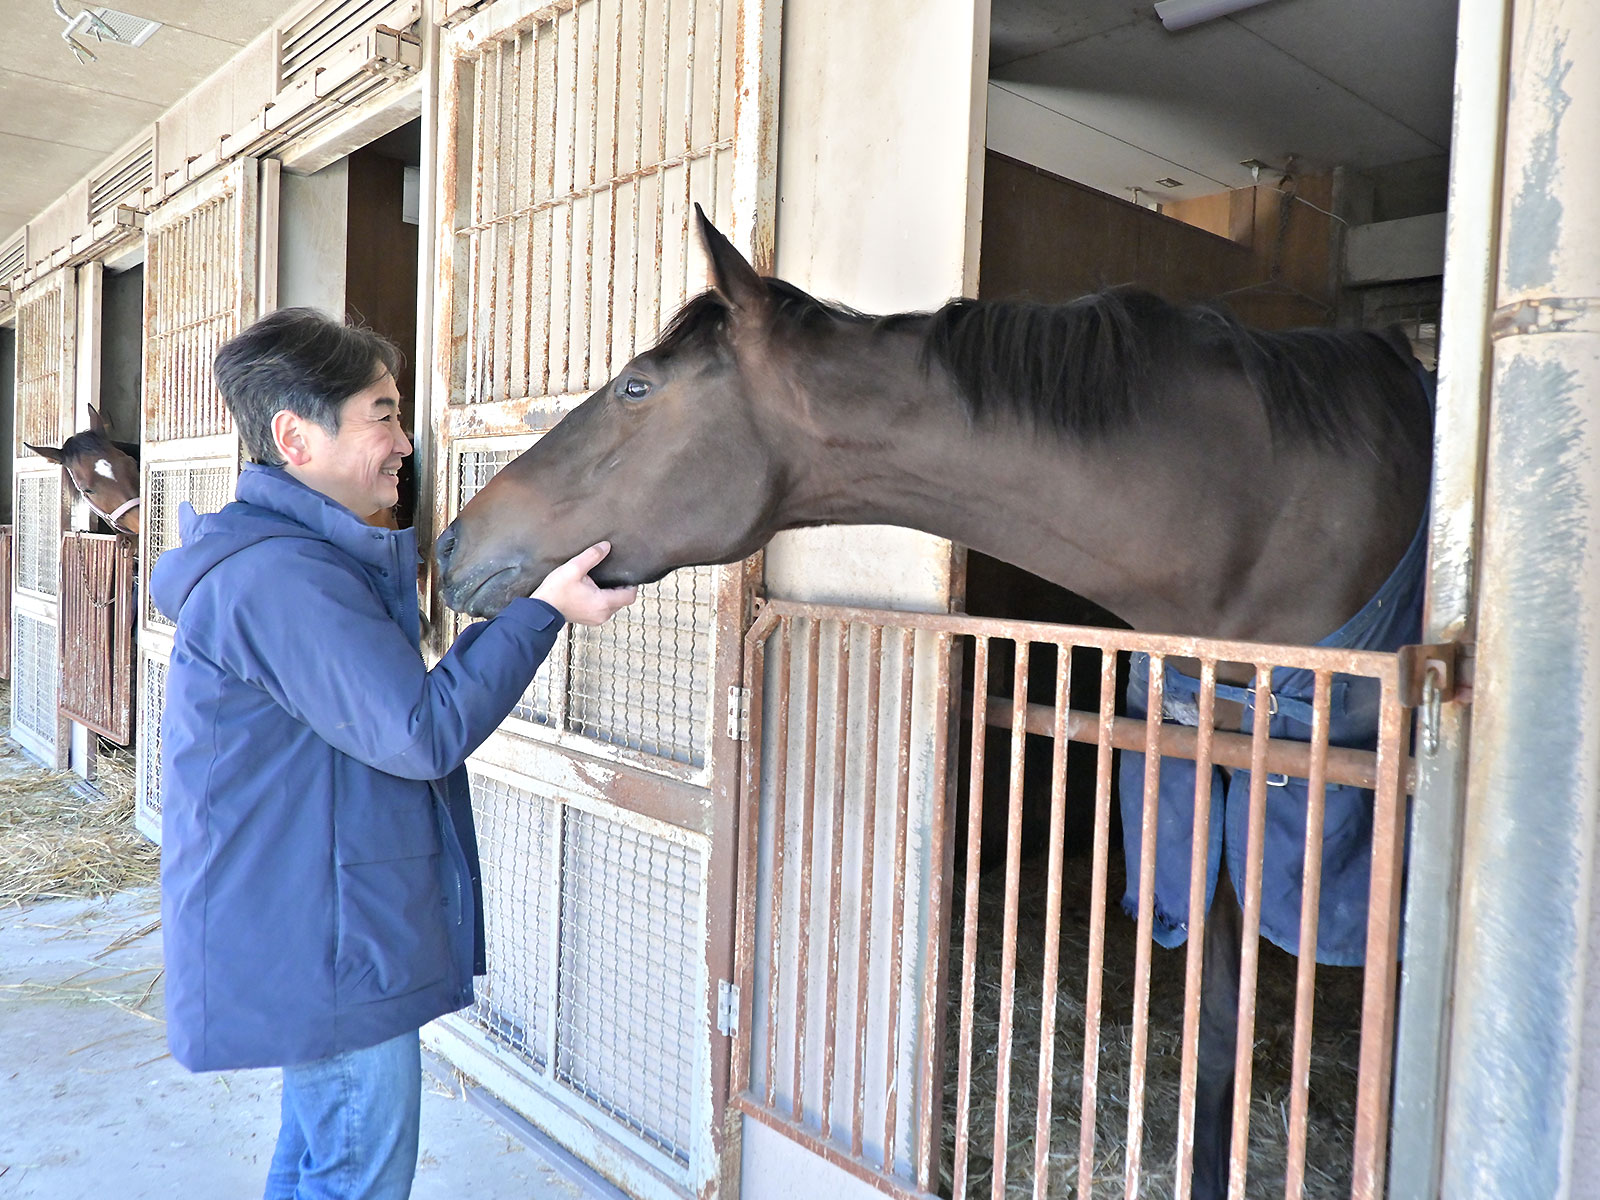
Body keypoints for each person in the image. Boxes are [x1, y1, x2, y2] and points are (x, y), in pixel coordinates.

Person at [149, 307, 637, 1200]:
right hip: (328, 938)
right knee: (353, 1173)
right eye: (382, 415)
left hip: (320, 921)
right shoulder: (282, 578)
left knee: (320, 1160)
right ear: (296, 438)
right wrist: (542, 612)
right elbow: (420, 732)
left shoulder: (289, 560)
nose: (406, 442)